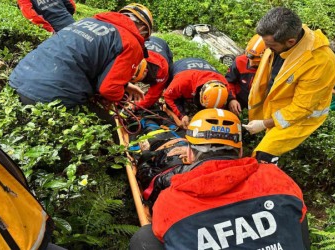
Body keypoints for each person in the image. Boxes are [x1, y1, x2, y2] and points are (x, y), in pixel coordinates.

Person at [129, 108, 310, 249]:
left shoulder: (170, 200)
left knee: (144, 238)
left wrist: (146, 155)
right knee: (296, 211)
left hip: (161, 155)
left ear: (189, 154)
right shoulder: (277, 179)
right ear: (239, 151)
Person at [10, 3, 153, 109]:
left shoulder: (87, 21)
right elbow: (108, 89)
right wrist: (120, 97)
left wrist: (126, 85)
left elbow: (84, 57)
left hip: (18, 79)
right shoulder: (132, 42)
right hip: (48, 96)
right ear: (142, 29)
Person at [244, 7, 335, 164]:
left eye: (271, 46)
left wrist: (264, 123)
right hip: (275, 111)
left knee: (263, 156)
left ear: (291, 42)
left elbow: (301, 108)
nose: (266, 49)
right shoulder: (280, 40)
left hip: (299, 118)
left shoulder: (320, 62)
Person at [163, 57, 241, 129]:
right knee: (175, 104)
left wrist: (232, 99)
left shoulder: (223, 82)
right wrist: (182, 115)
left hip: (202, 69)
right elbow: (168, 96)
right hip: (182, 68)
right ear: (200, 93)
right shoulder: (182, 81)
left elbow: (229, 91)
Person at [225, 34, 266, 109]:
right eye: (249, 59)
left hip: (260, 104)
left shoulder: (271, 67)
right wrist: (231, 99)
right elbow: (229, 81)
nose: (251, 63)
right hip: (239, 99)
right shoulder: (239, 61)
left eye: (257, 61)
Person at [133, 36, 174, 110]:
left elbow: (153, 94)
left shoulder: (162, 69)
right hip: (149, 41)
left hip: (162, 45)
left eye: (138, 79)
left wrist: (136, 106)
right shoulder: (134, 56)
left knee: (168, 80)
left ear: (145, 71)